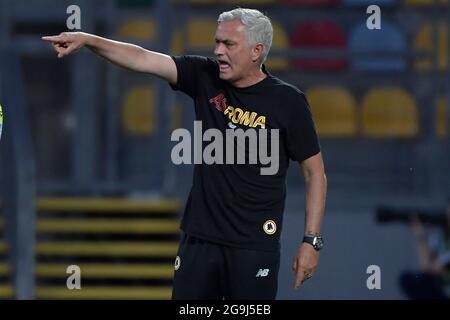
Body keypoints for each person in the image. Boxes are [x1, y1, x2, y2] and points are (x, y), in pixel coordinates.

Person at [42, 8, 327, 300]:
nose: (217, 51)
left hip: (253, 247)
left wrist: (311, 241)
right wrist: (89, 40)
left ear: (257, 51)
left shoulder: (288, 101)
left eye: (228, 44)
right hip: (199, 241)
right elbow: (141, 58)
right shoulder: (204, 76)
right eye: (217, 42)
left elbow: (314, 172)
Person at [400, 198, 450, 300]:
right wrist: (420, 235)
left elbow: (431, 268)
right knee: (409, 280)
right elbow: (426, 266)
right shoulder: (442, 239)